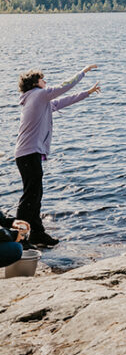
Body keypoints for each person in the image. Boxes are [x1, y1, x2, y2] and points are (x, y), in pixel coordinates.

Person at [15, 65, 101, 247]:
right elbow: (64, 86)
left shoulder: (39, 100)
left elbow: (65, 100)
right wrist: (83, 72)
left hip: (29, 154)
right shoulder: (38, 95)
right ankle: (19, 238)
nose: (45, 81)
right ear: (34, 84)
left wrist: (88, 92)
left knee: (35, 195)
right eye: (42, 79)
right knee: (30, 196)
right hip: (28, 153)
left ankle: (37, 234)